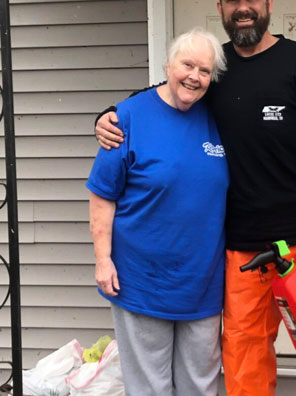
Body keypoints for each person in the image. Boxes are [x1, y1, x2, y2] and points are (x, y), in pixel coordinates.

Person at [95, 0, 296, 396]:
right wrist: (107, 115)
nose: (243, 8)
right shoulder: (214, 70)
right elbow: (165, 96)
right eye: (232, 0)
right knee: (243, 358)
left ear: (268, 4)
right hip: (242, 248)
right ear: (220, 8)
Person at [87, 27, 229, 396]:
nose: (194, 77)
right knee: (149, 387)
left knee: (201, 385)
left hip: (204, 282)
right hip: (141, 280)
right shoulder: (128, 118)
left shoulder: (219, 118)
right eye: (187, 65)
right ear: (168, 64)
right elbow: (102, 195)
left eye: (204, 71)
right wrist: (103, 260)